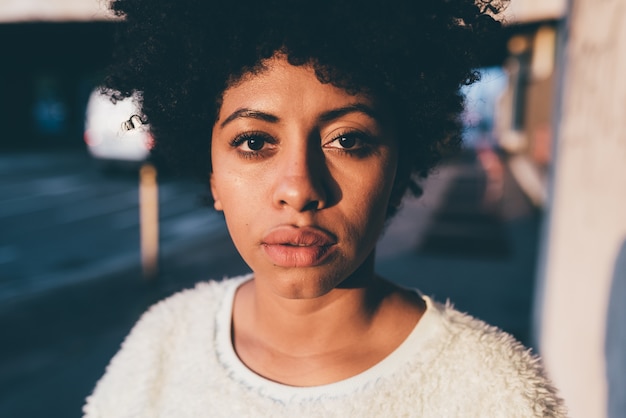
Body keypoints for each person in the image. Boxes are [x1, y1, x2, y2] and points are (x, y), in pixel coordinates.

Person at [84, 0, 566, 416]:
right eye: (253, 141)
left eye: (348, 140)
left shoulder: (494, 394)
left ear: (398, 170)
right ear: (212, 176)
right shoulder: (160, 345)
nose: (299, 188)